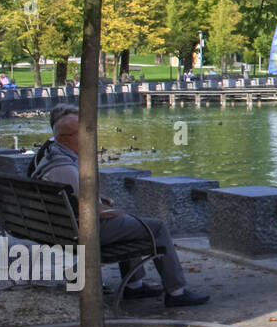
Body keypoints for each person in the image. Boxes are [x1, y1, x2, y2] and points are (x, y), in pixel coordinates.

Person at [31, 105, 209, 307]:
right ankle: (176, 291)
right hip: (85, 232)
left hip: (63, 230)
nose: (88, 137)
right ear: (64, 139)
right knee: (154, 226)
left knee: (129, 224)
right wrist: (115, 212)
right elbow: (90, 210)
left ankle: (135, 285)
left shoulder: (50, 157)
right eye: (81, 133)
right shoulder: (66, 169)